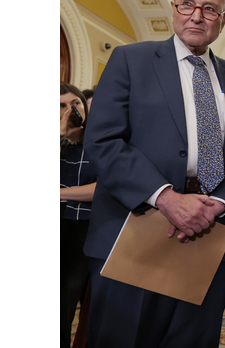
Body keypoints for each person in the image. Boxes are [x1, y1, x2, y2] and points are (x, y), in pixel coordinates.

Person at [82, 0, 225, 347]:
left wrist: (218, 204)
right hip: (136, 227)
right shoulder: (131, 60)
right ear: (173, 9)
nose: (196, 16)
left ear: (223, 20)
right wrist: (165, 197)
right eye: (187, 4)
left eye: (210, 9)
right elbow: (103, 140)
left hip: (208, 232)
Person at [60, 83, 97, 348]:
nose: (69, 111)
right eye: (61, 106)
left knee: (87, 312)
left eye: (75, 104)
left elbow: (104, 188)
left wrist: (59, 193)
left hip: (87, 231)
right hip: (59, 230)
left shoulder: (98, 143)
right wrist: (60, 132)